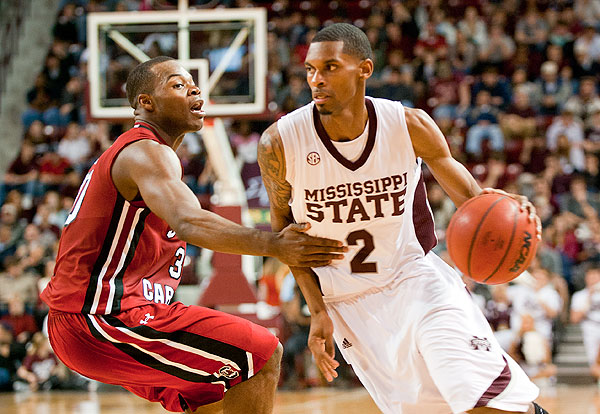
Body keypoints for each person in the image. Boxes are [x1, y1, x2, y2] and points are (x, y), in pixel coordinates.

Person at [258, 23, 548, 414]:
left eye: (330, 67)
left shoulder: (407, 124)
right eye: (310, 70)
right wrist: (317, 310)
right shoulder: (281, 143)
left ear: (365, 69)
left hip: (417, 282)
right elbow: (284, 236)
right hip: (350, 305)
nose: (316, 79)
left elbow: (470, 200)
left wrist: (505, 215)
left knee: (487, 401)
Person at [40, 56, 347, 414]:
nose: (195, 89)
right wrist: (275, 244)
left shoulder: (151, 157)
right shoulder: (145, 151)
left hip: (97, 320)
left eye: (193, 84)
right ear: (146, 103)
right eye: (178, 84)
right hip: (100, 317)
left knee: (212, 399)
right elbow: (190, 222)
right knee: (261, 354)